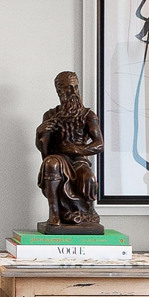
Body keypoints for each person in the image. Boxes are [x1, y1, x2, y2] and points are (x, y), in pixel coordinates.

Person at [35, 70, 103, 233]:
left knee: (89, 178)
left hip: (79, 160)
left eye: (75, 87)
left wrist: (78, 149)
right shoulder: (51, 115)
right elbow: (43, 146)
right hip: (58, 158)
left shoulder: (87, 115)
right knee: (50, 164)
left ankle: (85, 212)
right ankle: (55, 213)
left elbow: (99, 144)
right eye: (68, 88)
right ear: (59, 91)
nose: (73, 92)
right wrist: (40, 132)